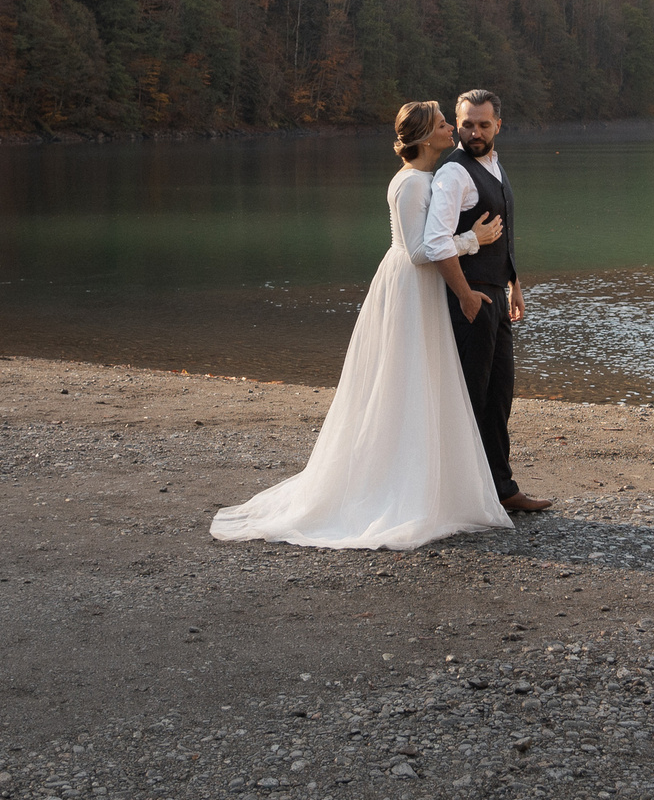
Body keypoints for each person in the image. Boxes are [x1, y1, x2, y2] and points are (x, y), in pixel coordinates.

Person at [210, 101, 513, 550]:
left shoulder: (430, 178)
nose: (453, 128)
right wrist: (475, 239)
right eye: (446, 123)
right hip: (411, 286)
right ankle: (398, 487)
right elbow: (417, 251)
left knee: (422, 381)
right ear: (427, 137)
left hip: (425, 287)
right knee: (403, 379)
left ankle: (434, 477)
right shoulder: (411, 184)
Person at [430, 88, 550, 512]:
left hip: (496, 293)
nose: (474, 132)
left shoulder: (494, 163)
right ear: (457, 124)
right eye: (466, 124)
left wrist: (514, 281)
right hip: (470, 300)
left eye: (482, 124)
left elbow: (504, 229)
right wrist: (464, 296)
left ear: (498, 124)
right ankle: (461, 496)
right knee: (470, 399)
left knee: (499, 396)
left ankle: (502, 489)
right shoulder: (453, 174)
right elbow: (435, 243)